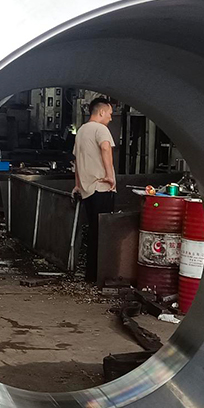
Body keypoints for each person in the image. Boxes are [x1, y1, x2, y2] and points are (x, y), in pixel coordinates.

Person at [73, 97, 117, 284]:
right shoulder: (101, 129)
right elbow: (106, 148)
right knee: (103, 233)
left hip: (86, 189)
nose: (111, 118)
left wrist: (77, 184)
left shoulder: (81, 131)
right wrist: (110, 175)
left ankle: (90, 275)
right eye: (110, 114)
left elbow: (77, 160)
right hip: (101, 187)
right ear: (101, 112)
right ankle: (101, 275)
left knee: (93, 231)